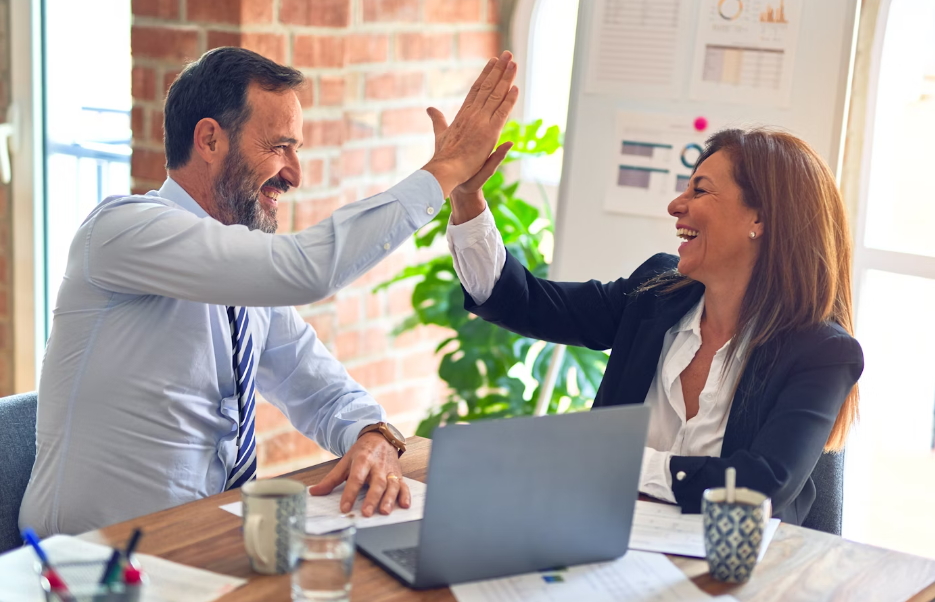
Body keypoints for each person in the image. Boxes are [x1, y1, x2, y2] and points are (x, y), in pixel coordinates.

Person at [21, 46, 519, 536]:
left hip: (201, 547)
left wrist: (373, 434)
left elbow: (320, 388)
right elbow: (307, 269)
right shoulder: (122, 231)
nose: (295, 174)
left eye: (296, 150)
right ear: (210, 140)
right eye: (280, 146)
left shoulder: (242, 278)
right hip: (87, 566)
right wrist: (445, 170)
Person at [445, 127, 863, 524]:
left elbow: (760, 486)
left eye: (699, 190)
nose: (676, 205)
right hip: (608, 543)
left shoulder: (822, 352)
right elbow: (526, 303)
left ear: (760, 219)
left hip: (737, 575)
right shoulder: (655, 294)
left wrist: (617, 461)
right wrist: (467, 197)